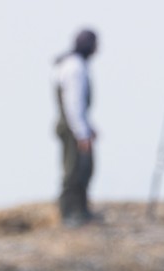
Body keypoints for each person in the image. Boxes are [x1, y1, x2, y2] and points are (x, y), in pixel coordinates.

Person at [54, 28, 98, 226]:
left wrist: (88, 128)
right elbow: (73, 104)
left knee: (84, 168)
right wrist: (82, 133)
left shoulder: (72, 64)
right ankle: (70, 213)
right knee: (74, 170)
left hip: (75, 126)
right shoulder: (75, 68)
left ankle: (81, 210)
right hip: (73, 128)